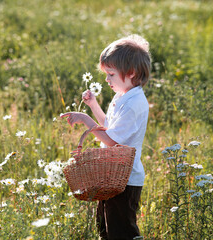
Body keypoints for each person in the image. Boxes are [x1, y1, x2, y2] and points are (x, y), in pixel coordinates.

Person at [61, 34, 151, 240]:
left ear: (131, 73)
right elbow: (109, 127)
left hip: (126, 180)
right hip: (112, 176)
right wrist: (93, 105)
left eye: (110, 74)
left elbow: (112, 141)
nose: (106, 79)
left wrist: (86, 120)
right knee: (105, 229)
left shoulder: (134, 104)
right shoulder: (122, 97)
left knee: (122, 232)